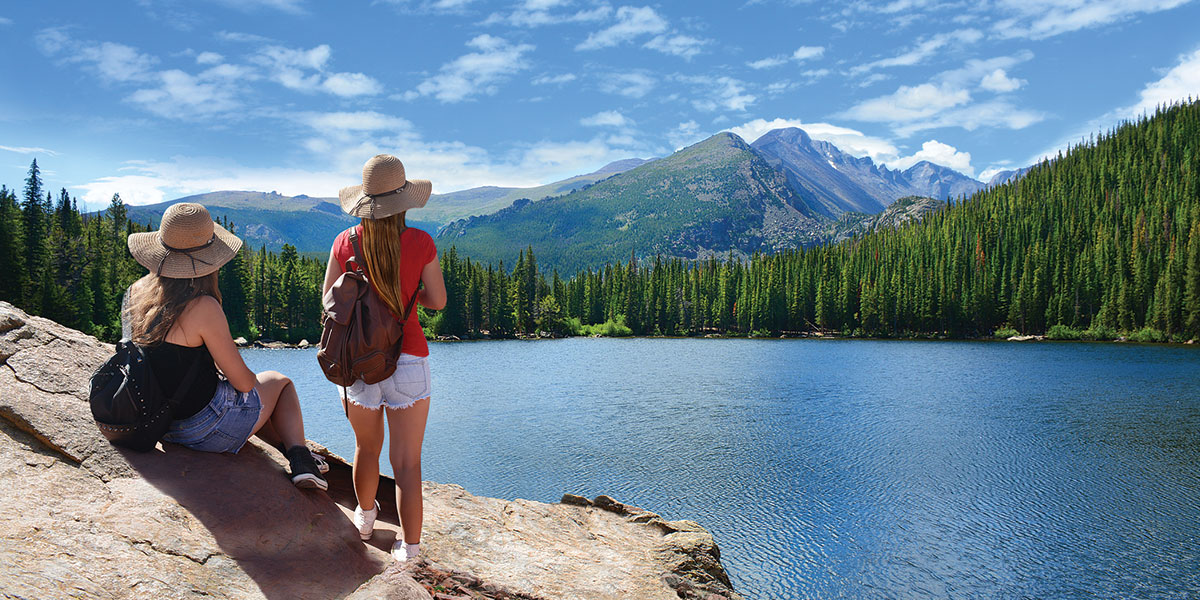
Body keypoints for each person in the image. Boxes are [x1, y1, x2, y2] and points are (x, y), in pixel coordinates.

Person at [124, 202, 328, 489]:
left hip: (158, 424)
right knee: (278, 382)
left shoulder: (136, 292)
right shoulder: (202, 306)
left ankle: (297, 454)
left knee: (255, 402)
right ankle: (301, 462)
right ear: (209, 259)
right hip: (203, 431)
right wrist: (248, 379)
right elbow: (244, 385)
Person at [324, 154, 446, 563]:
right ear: (404, 201)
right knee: (408, 463)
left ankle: (365, 518)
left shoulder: (344, 242)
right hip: (409, 357)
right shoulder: (421, 242)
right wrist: (411, 298)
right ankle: (410, 549)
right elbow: (438, 302)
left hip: (359, 359)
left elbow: (329, 302)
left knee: (366, 448)